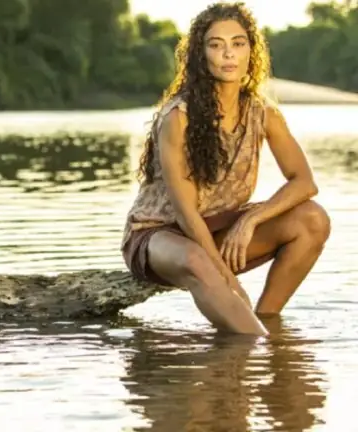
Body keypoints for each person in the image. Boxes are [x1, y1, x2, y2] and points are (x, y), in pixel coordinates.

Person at [120, 2, 331, 336]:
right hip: (161, 235)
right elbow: (186, 215)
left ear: (251, 51)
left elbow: (304, 182)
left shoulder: (263, 113)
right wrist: (229, 281)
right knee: (197, 260)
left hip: (221, 230)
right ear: (201, 55)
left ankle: (265, 323)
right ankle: (256, 342)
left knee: (313, 219)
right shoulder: (179, 117)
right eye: (216, 45)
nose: (228, 54)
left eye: (238, 43)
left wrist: (250, 219)